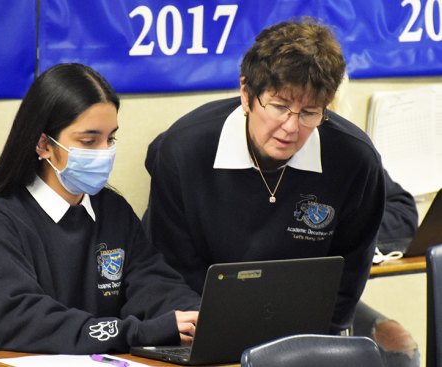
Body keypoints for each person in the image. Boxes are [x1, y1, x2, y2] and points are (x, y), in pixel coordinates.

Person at [0, 63, 200, 367]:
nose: (104, 151)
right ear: (44, 144)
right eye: (89, 141)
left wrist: (199, 317)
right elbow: (23, 320)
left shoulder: (111, 210)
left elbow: (153, 284)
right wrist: (141, 332)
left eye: (110, 138)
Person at [142, 17, 386, 338]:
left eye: (310, 112)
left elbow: (348, 274)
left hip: (303, 330)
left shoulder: (356, 161)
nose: (291, 127)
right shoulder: (184, 150)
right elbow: (170, 267)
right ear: (246, 93)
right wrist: (213, 333)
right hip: (205, 322)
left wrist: (310, 345)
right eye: (279, 106)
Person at [353, 170, 420, 367]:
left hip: (335, 295)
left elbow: (403, 216)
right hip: (268, 294)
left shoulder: (345, 147)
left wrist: (345, 230)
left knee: (399, 347)